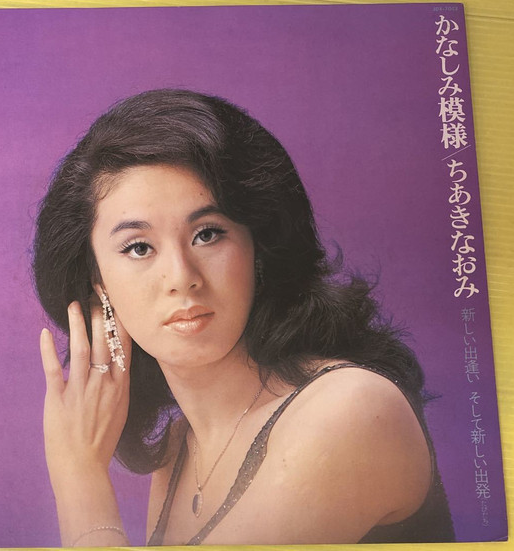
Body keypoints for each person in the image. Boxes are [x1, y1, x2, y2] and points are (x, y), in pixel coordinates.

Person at [33, 89, 454, 546]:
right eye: (139, 248)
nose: (181, 277)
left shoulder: (348, 410)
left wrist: (79, 476)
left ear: (259, 247)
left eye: (208, 234)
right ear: (99, 284)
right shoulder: (179, 453)